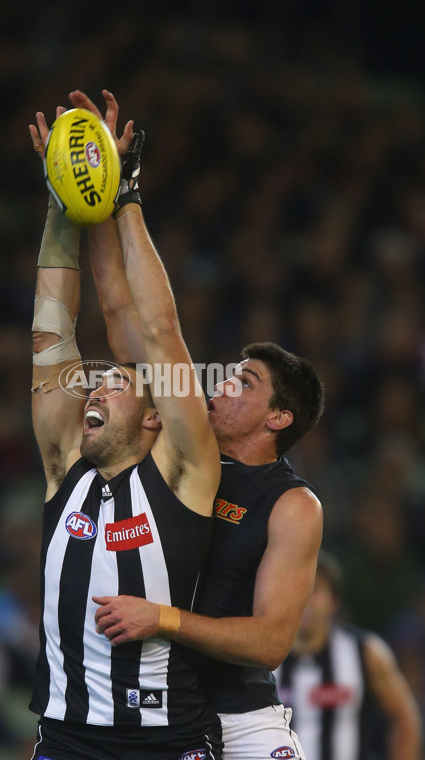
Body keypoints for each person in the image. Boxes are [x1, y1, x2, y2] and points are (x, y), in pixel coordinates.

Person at [71, 89, 325, 760]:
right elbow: (124, 313)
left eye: (243, 382)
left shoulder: (292, 505)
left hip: (241, 715)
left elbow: (271, 642)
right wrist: (93, 196)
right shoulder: (187, 442)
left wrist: (164, 619)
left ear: (279, 417)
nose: (222, 384)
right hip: (152, 704)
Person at [25, 97, 223, 760]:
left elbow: (161, 334)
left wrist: (128, 194)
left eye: (116, 382)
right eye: (96, 379)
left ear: (153, 416)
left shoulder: (183, 475)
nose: (96, 385)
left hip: (166, 743)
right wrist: (60, 203)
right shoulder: (63, 467)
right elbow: (52, 327)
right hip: (64, 740)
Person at [274, 551, 423, 760]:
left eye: (314, 590)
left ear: (334, 601)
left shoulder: (365, 652)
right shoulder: (262, 656)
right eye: (296, 588)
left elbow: (405, 719)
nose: (305, 599)